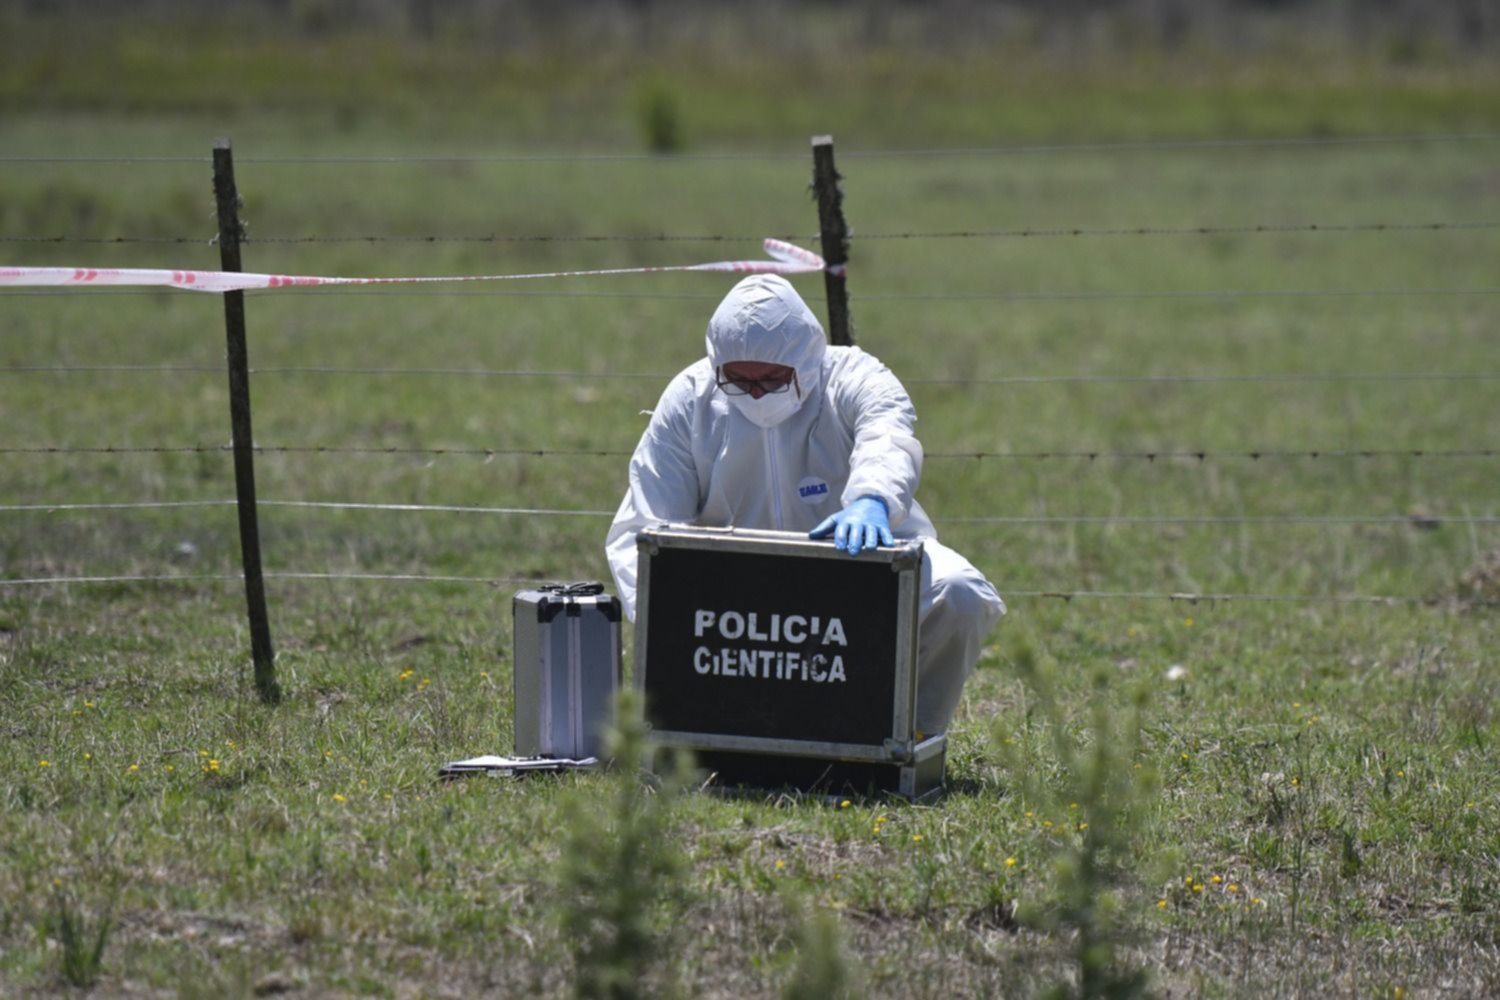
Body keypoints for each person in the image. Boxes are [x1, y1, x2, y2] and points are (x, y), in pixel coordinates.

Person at [605, 274, 1004, 735]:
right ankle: (712, 732)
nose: (756, 394)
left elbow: (887, 434)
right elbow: (649, 525)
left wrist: (872, 498)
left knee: (960, 594)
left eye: (773, 379)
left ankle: (906, 738)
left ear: (806, 360)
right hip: (734, 590)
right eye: (738, 379)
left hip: (859, 566)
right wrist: (679, 606)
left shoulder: (854, 376)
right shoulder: (690, 398)